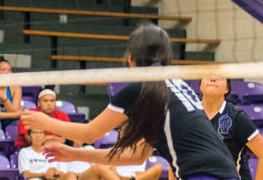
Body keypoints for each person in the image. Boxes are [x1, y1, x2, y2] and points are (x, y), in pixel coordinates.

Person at [20, 23, 239, 180]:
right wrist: (76, 154)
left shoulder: (140, 90)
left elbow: (89, 134)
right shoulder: (176, 86)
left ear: (131, 60)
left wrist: (44, 122)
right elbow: (135, 156)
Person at [200, 77, 263, 180]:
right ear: (200, 85)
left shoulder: (237, 117)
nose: (213, 79)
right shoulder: (188, 115)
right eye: (208, 75)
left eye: (219, 77)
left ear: (227, 89)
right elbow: (176, 154)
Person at [79, 161, 162, 180]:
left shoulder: (139, 156)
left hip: (131, 178)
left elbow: (140, 175)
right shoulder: (111, 151)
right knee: (98, 167)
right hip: (111, 178)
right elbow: (109, 171)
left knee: (158, 167)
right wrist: (123, 178)